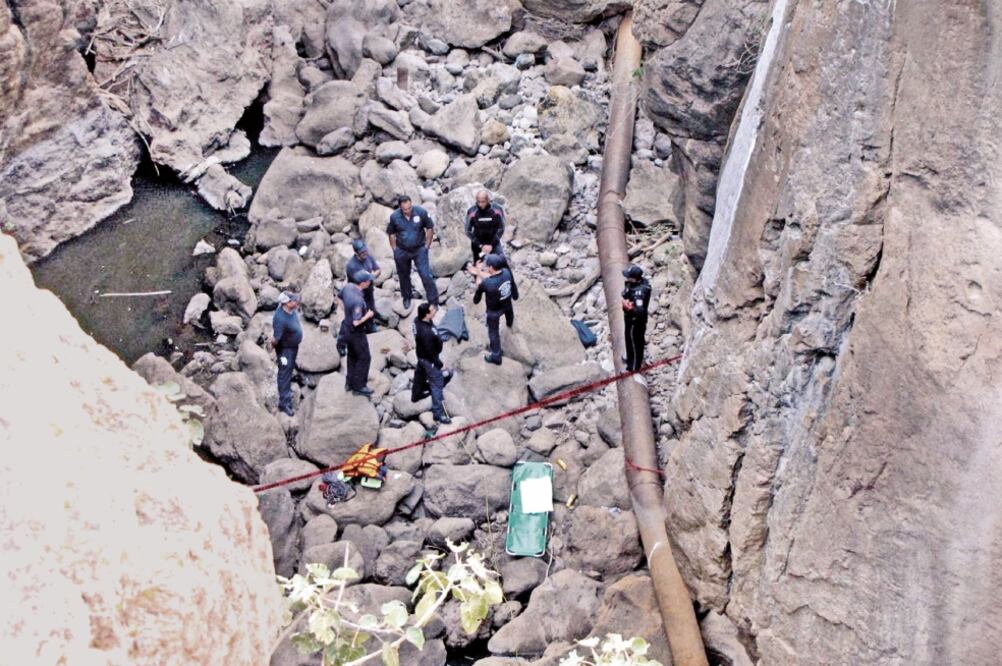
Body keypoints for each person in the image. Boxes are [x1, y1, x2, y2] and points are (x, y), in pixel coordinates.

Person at [386, 195, 438, 310]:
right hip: (402, 250)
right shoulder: (394, 217)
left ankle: (433, 301)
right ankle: (407, 297)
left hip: (419, 249)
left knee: (426, 275)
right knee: (403, 275)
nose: (408, 211)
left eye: (409, 208)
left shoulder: (421, 212)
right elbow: (391, 233)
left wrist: (427, 246)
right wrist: (394, 249)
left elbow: (430, 227)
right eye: (405, 209)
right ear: (400, 207)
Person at [473, 254, 518, 365]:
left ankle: (496, 356)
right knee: (509, 312)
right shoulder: (507, 273)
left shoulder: (487, 284)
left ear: (491, 268)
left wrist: (478, 275)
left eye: (487, 266)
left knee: (493, 333)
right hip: (506, 303)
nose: (486, 267)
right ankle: (510, 323)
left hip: (494, 311)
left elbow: (476, 300)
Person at [412, 302, 451, 425]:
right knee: (437, 384)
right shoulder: (426, 332)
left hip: (421, 356)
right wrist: (439, 364)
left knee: (420, 373)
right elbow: (430, 353)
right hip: (430, 360)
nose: (435, 310)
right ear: (427, 315)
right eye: (432, 309)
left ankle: (416, 394)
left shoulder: (417, 321)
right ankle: (438, 414)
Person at [338, 272, 375, 396]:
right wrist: (368, 316)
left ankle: (349, 382)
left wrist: (346, 311)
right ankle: (359, 386)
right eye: (369, 281)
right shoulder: (358, 300)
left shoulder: (348, 287)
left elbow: (338, 297)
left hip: (346, 328)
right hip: (356, 332)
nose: (370, 283)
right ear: (363, 283)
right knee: (364, 357)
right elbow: (356, 322)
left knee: (352, 356)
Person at [271, 291, 303, 416]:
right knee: (284, 374)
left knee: (289, 370)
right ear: (288, 303)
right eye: (295, 301)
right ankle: (284, 403)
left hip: (293, 347)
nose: (297, 302)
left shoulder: (292, 310)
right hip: (285, 350)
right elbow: (275, 339)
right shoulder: (280, 318)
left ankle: (290, 380)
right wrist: (274, 349)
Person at [621, 264, 652, 372]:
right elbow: (626, 292)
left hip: (635, 322)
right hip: (630, 319)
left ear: (634, 279)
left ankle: (633, 367)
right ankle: (630, 358)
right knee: (629, 339)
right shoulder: (636, 283)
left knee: (635, 342)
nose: (626, 278)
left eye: (629, 276)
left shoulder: (640, 293)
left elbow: (640, 311)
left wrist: (629, 308)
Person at [346, 239, 381, 331]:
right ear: (357, 253)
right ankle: (363, 327)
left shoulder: (368, 257)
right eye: (362, 252)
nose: (365, 253)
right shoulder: (351, 266)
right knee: (359, 310)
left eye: (366, 250)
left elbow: (378, 269)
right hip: (357, 291)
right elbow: (361, 282)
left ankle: (371, 322)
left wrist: (373, 276)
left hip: (368, 288)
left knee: (371, 306)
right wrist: (370, 278)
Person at [465, 189, 506, 266]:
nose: (480, 204)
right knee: (478, 265)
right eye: (478, 202)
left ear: (488, 200)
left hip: (493, 241)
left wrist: (491, 245)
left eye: (483, 202)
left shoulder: (497, 209)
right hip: (478, 243)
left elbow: (501, 228)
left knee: (500, 263)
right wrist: (480, 245)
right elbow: (468, 231)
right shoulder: (472, 211)